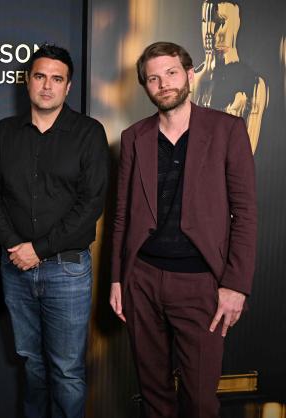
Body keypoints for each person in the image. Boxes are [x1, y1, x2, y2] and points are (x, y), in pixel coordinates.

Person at [110, 42, 257, 418]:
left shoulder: (227, 129)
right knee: (153, 392)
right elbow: (122, 215)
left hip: (200, 284)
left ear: (190, 74)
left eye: (171, 73)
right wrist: (117, 279)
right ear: (145, 86)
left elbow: (245, 213)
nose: (164, 84)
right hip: (141, 279)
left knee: (201, 399)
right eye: (153, 78)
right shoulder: (134, 137)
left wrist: (236, 285)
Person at [0, 44, 109, 418]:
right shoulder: (4, 134)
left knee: (66, 371)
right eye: (40, 77)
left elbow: (91, 206)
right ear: (28, 82)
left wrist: (37, 249)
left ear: (68, 87)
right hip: (15, 270)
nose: (47, 86)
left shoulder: (88, 133)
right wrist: (14, 246)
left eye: (57, 79)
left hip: (67, 270)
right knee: (33, 366)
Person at [192, 0, 267, 153]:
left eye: (220, 21)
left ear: (236, 24)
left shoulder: (253, 85)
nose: (210, 31)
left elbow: (245, 155)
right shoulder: (189, 82)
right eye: (206, 21)